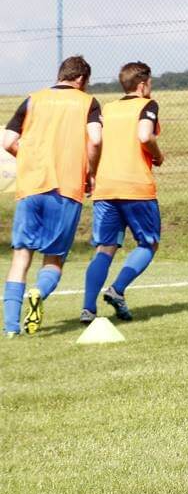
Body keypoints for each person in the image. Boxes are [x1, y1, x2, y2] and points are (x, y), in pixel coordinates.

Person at [1, 56, 102, 337]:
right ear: (81, 79)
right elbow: (95, 139)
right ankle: (38, 291)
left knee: (21, 258)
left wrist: (31, 159)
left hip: (31, 186)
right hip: (66, 188)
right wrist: (91, 173)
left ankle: (11, 328)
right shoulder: (87, 103)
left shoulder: (33, 99)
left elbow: (8, 141)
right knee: (53, 259)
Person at [81, 62, 164, 323]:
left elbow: (96, 141)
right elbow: (144, 136)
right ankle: (117, 289)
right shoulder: (147, 105)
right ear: (142, 85)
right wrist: (158, 155)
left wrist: (93, 174)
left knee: (105, 248)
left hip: (106, 187)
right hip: (136, 187)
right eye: (149, 83)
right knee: (148, 243)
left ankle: (88, 308)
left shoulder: (108, 108)